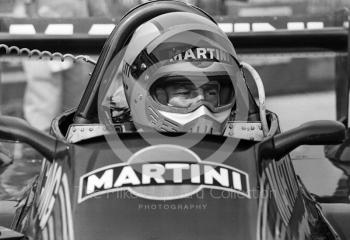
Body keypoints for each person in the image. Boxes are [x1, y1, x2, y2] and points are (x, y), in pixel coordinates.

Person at [105, 7, 253, 135]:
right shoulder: (105, 145)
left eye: (211, 93)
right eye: (184, 93)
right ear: (140, 93)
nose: (202, 109)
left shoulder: (246, 141)